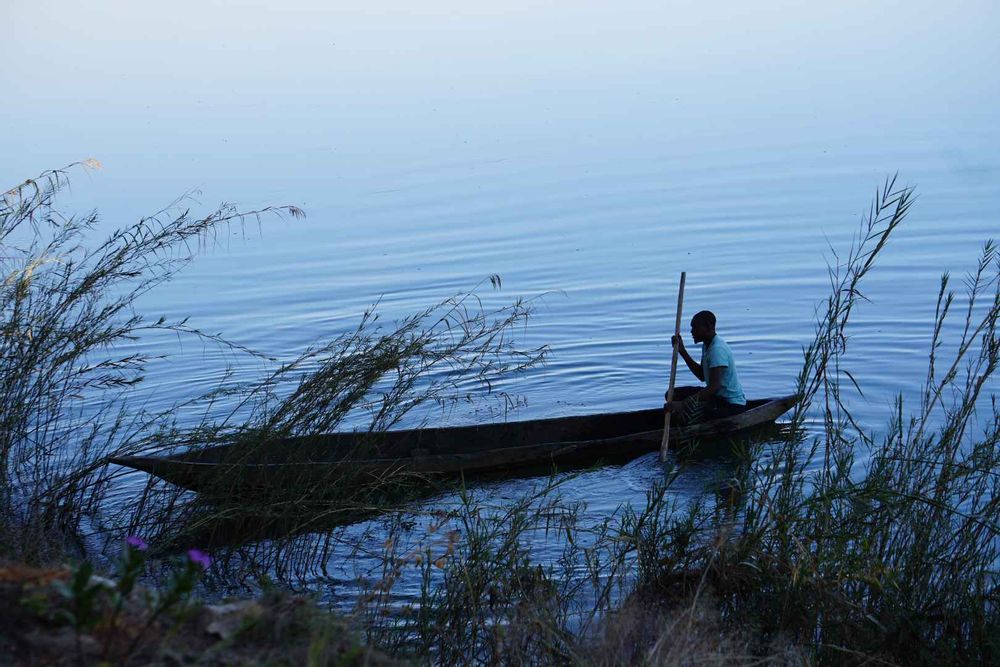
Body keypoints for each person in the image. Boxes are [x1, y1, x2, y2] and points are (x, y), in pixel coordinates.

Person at [663, 310, 746, 424]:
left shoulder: (717, 350)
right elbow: (702, 375)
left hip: (730, 405)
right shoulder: (707, 345)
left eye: (695, 328)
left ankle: (688, 424)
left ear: (708, 327)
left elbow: (714, 387)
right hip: (716, 398)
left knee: (687, 409)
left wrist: (683, 404)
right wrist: (682, 351)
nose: (692, 331)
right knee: (671, 394)